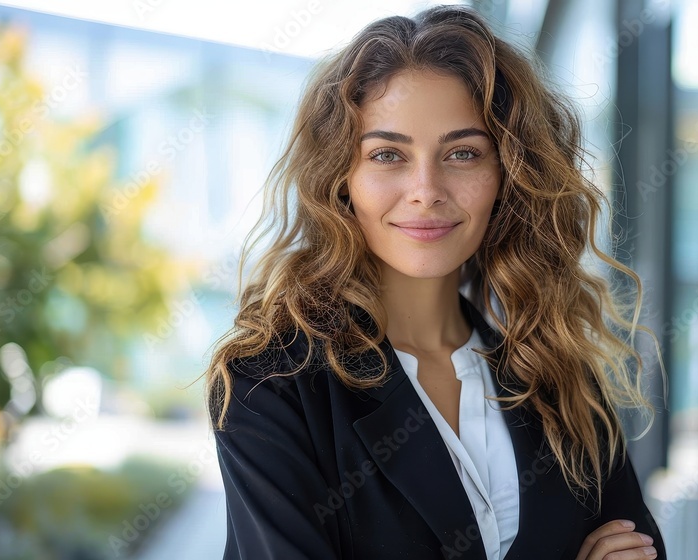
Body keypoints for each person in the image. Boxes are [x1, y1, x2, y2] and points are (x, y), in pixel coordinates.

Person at [204, 5, 667, 559]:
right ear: (341, 178)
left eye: (463, 153)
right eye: (388, 155)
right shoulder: (271, 384)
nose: (426, 189)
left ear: (508, 177)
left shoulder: (558, 373)